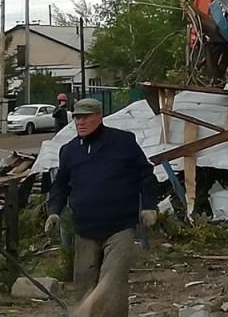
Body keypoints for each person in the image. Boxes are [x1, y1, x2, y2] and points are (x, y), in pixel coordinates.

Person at [46, 98, 157, 317]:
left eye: (86, 117)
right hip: (85, 228)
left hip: (119, 226)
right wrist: (54, 211)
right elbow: (60, 185)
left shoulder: (123, 142)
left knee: (112, 280)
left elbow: (146, 175)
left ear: (99, 117)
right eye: (77, 117)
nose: (80, 122)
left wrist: (149, 206)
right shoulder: (69, 151)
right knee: (84, 280)